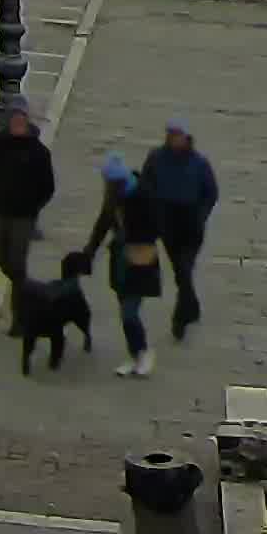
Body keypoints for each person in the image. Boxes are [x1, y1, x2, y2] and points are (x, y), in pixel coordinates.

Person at [138, 119, 220, 340]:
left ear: (186, 137)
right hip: (168, 224)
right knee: (180, 271)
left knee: (184, 269)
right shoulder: (156, 158)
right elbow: (146, 184)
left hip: (192, 224)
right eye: (171, 134)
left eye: (178, 135)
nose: (174, 138)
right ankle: (191, 307)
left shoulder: (199, 163)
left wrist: (201, 215)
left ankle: (180, 318)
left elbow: (211, 192)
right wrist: (155, 208)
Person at [83, 154, 163, 378]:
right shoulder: (114, 198)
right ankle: (134, 354)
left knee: (129, 311)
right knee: (124, 310)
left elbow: (157, 228)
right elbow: (102, 224)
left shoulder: (143, 196)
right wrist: (89, 252)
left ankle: (145, 352)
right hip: (120, 261)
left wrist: (132, 233)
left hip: (141, 259)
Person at [0, 98, 55, 303]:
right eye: (14, 119)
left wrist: (33, 207)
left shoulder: (39, 152)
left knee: (17, 263)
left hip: (24, 217)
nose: (18, 123)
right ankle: (31, 289)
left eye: (21, 119)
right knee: (0, 255)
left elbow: (48, 187)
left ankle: (20, 314)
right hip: (1, 212)